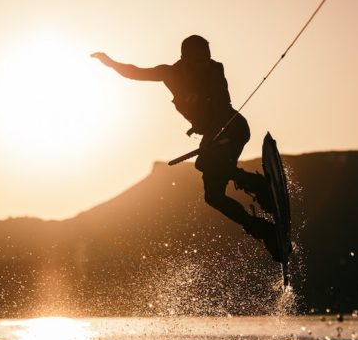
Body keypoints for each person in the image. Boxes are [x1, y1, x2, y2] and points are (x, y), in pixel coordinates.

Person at [91, 35, 282, 261]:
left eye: (207, 57)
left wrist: (211, 133)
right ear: (185, 58)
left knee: (207, 164)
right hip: (214, 136)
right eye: (199, 59)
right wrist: (112, 64)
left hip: (233, 129)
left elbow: (221, 104)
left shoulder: (215, 70)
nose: (205, 63)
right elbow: (136, 72)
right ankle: (264, 231)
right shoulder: (170, 73)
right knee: (213, 196)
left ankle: (258, 186)